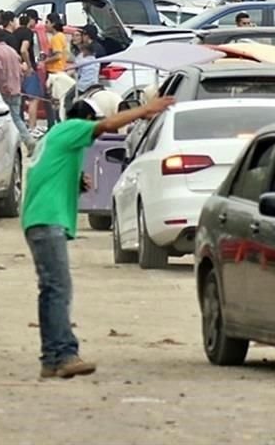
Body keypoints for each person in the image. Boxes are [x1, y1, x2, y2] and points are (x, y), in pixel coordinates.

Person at [22, 95, 174, 378]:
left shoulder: (56, 136)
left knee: (51, 289)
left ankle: (51, 358)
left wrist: (76, 182)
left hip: (37, 219)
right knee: (58, 289)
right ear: (86, 120)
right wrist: (144, 110)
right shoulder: (73, 128)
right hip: (47, 218)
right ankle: (64, 354)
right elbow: (107, 126)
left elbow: (48, 174)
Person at [0, 28, 36, 153]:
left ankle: (22, 142)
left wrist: (4, 86)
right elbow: (20, 71)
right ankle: (25, 141)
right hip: (16, 89)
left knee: (6, 119)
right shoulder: (12, 51)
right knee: (16, 117)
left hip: (4, 91)